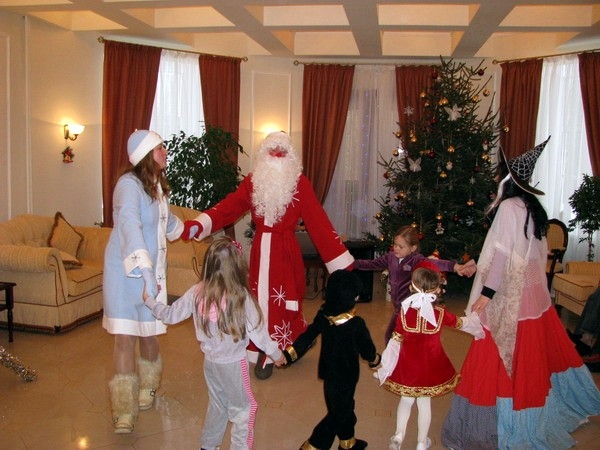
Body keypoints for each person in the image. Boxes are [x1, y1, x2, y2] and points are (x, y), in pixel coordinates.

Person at [442, 137, 600, 449]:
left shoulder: (508, 207)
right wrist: (479, 265)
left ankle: (495, 426)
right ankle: (535, 413)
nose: (495, 177)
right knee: (530, 359)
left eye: (499, 173)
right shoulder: (530, 207)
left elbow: (503, 255)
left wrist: (486, 294)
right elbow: (516, 252)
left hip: (510, 298)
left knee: (495, 356)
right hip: (533, 297)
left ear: (508, 179)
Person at [182, 131, 354, 379]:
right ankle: (260, 346)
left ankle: (281, 346)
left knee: (284, 301)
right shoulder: (254, 182)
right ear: (264, 154)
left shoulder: (299, 184)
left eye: (281, 152)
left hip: (286, 251)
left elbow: (318, 221)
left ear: (290, 156)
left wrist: (341, 264)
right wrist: (201, 223)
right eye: (272, 151)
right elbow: (230, 206)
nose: (276, 156)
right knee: (258, 299)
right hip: (261, 250)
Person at [143, 237, 285, 450]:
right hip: (234, 365)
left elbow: (170, 315)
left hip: (210, 364)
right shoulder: (241, 296)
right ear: (237, 266)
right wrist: (276, 354)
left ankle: (208, 446)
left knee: (218, 406)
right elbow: (259, 334)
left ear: (208, 264)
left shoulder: (197, 291)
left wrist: (150, 301)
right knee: (244, 410)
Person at [102, 129, 185, 433]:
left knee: (148, 335)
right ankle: (124, 409)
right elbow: (130, 227)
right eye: (160, 148)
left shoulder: (157, 186)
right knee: (125, 337)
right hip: (125, 274)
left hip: (153, 275)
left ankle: (148, 386)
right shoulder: (128, 185)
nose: (166, 151)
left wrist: (195, 228)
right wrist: (146, 274)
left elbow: (168, 222)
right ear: (147, 155)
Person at [375, 265, 484, 450]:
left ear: (411, 287)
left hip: (408, 366)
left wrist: (387, 362)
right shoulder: (440, 314)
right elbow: (461, 323)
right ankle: (421, 442)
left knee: (406, 399)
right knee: (424, 403)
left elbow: (396, 338)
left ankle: (398, 436)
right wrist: (476, 319)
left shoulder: (404, 312)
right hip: (430, 367)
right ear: (438, 290)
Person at [282, 270, 381, 450]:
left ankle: (348, 443)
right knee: (337, 414)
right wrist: (375, 360)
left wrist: (289, 354)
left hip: (328, 374)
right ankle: (312, 446)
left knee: (345, 408)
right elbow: (367, 350)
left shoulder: (324, 315)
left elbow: (308, 335)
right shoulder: (356, 324)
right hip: (347, 377)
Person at [353, 225, 477, 344]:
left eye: (401, 247)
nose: (396, 248)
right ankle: (396, 357)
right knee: (396, 337)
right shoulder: (390, 257)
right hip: (398, 306)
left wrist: (455, 267)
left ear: (412, 248)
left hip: (410, 308)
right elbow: (372, 264)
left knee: (392, 336)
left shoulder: (416, 260)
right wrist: (353, 263)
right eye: (395, 245)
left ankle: (397, 357)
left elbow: (436, 263)